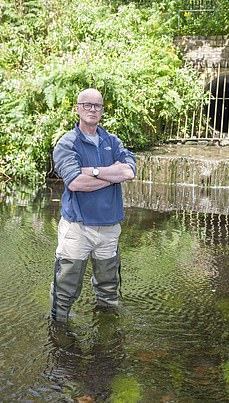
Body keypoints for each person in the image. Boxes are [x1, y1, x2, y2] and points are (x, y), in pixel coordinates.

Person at [50, 88, 136, 324]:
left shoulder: (112, 141)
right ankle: (58, 332)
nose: (92, 109)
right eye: (86, 105)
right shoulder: (67, 143)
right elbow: (76, 183)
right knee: (66, 288)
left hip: (109, 228)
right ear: (77, 108)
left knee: (108, 288)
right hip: (77, 228)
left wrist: (95, 172)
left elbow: (129, 171)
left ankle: (106, 335)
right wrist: (112, 174)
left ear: (102, 111)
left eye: (97, 106)